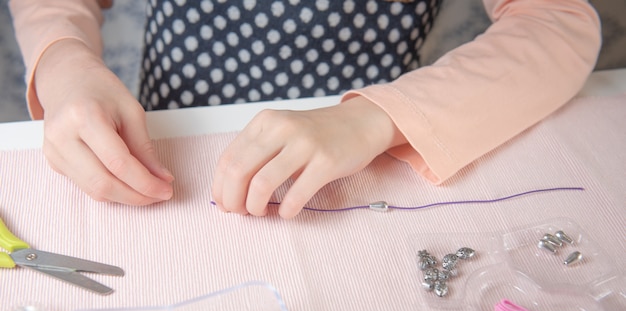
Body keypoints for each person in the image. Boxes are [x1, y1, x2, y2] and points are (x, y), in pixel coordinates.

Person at [9, 0, 601, 219]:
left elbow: (558, 23)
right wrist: (62, 58)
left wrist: (371, 119)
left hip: (357, 150)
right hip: (168, 125)